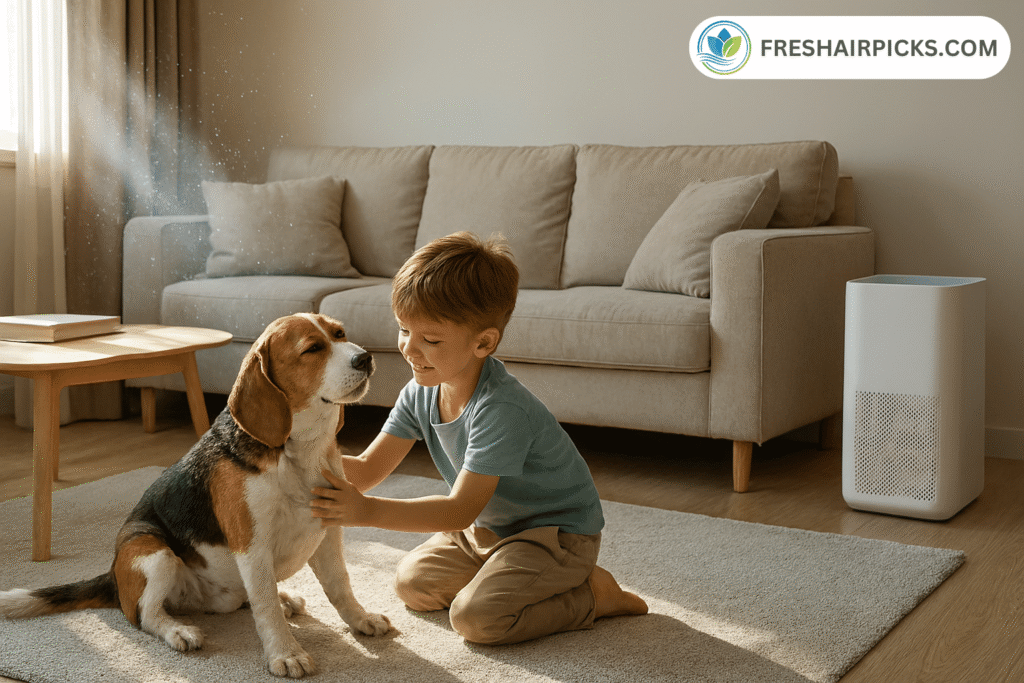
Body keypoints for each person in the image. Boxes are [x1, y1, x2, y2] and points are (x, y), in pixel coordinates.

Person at [310, 231, 648, 645]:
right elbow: (365, 469)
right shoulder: (421, 391)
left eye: (430, 340)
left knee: (477, 620)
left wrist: (366, 512)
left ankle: (595, 595)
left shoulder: (501, 410)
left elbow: (458, 511)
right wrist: (297, 458)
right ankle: (511, 577)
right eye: (403, 330)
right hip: (489, 531)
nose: (409, 349)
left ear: (483, 342)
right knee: (412, 585)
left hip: (555, 537)